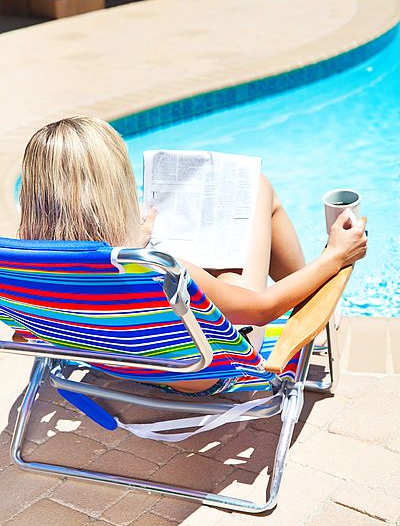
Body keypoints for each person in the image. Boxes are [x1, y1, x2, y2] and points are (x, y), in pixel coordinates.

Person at [17, 116, 367, 393]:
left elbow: (23, 335)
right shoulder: (156, 270)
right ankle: (311, 316)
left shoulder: (23, 270)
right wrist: (334, 256)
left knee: (220, 269)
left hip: (117, 362)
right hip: (205, 372)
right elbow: (262, 311)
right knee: (258, 189)